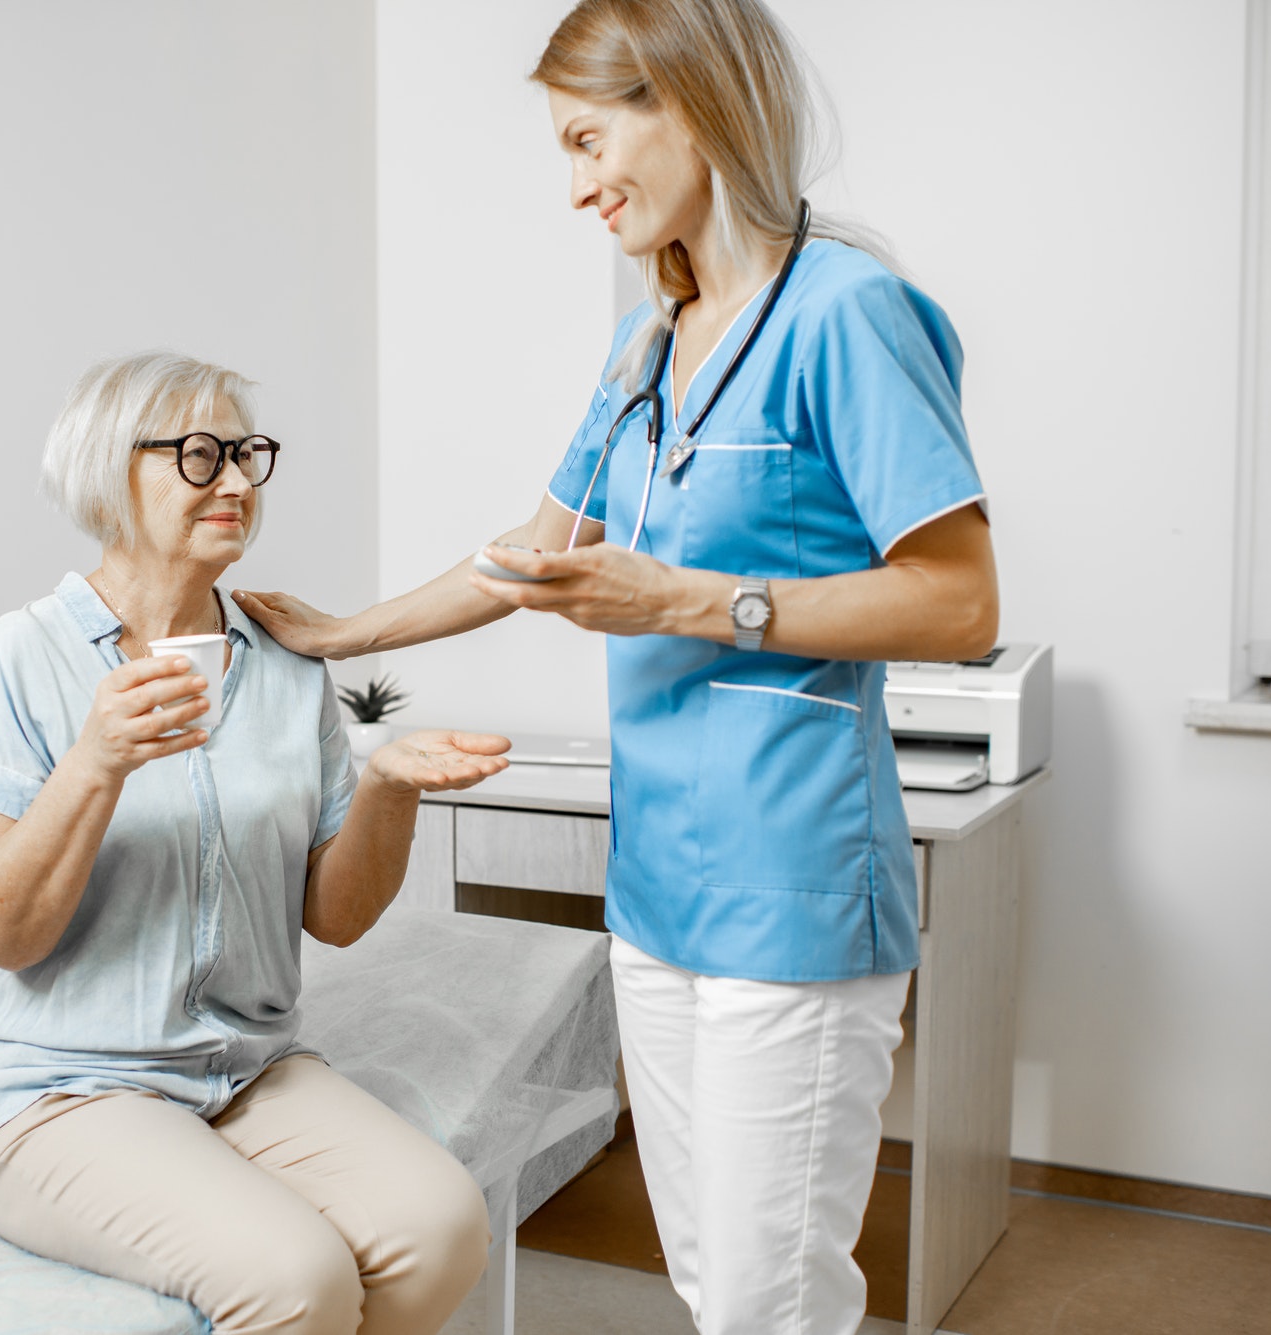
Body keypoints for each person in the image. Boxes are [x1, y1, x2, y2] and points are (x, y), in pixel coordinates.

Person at [234, 2, 999, 1331]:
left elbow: (961, 599)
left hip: (796, 885)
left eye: (591, 140)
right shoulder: (648, 345)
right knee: (707, 1277)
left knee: (772, 1297)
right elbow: (531, 554)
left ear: (692, 105)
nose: (579, 184)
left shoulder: (848, 311)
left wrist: (696, 598)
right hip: (658, 888)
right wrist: (341, 632)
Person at [0, 351, 505, 1334]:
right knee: (295, 1278)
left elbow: (336, 919)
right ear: (111, 474)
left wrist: (386, 786)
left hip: (246, 1072)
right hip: (61, 1090)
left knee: (443, 1224)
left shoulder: (285, 665)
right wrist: (97, 762)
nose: (237, 481)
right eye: (199, 456)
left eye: (244, 454)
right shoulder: (20, 659)